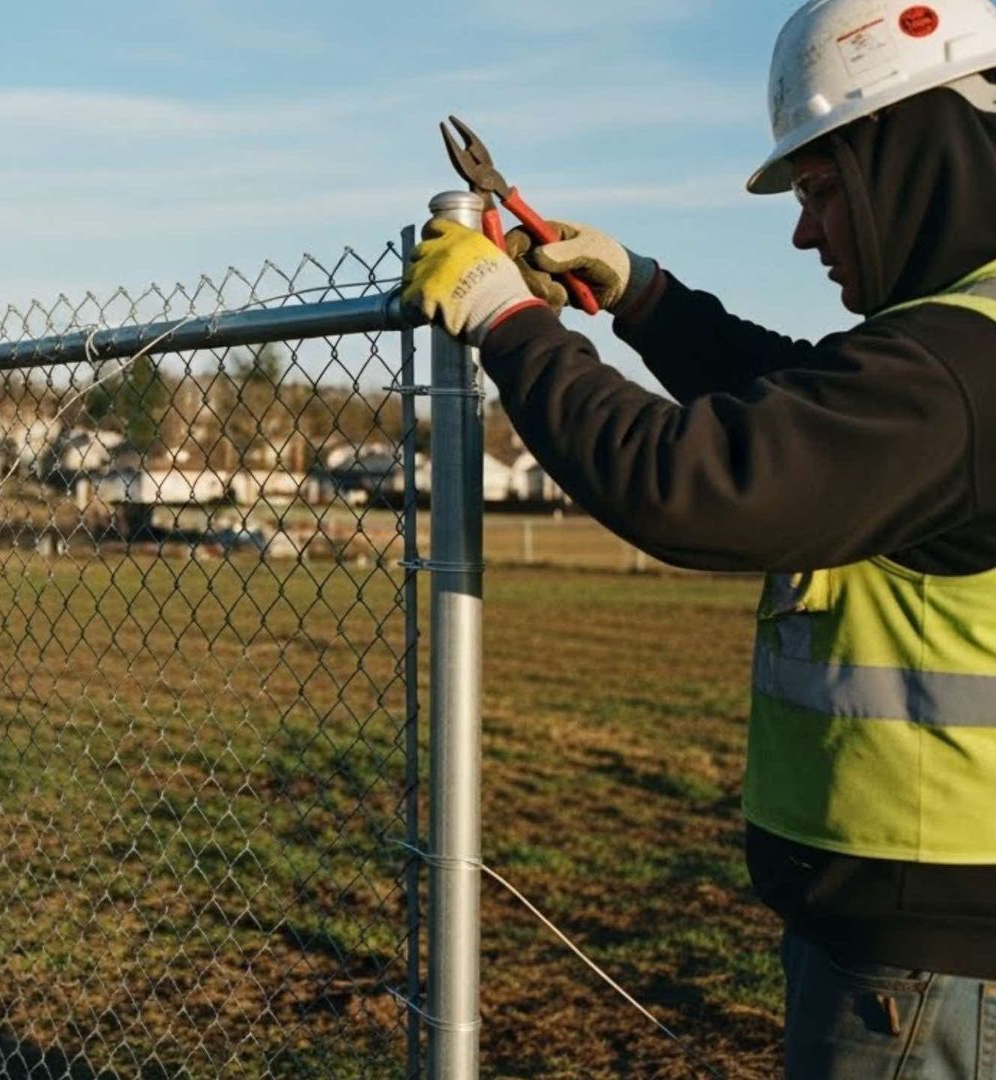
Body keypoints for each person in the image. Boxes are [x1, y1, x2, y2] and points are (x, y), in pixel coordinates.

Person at [404, 1, 996, 1075]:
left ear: (920, 161)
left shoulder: (958, 370)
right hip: (919, 939)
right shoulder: (958, 349)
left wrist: (509, 325)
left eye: (821, 189)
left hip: (927, 961)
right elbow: (805, 407)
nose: (804, 231)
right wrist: (644, 296)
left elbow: (699, 483)